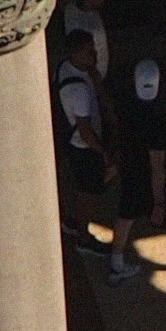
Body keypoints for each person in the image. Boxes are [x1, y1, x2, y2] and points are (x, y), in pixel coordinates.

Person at [110, 56, 166, 285]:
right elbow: (157, 166)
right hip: (145, 175)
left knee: (126, 213)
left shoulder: (125, 106)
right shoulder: (157, 120)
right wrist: (159, 202)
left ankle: (116, 258)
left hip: (130, 170)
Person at [55, 37, 113, 255]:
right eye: (90, 53)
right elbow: (85, 130)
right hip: (84, 149)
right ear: (76, 54)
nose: (95, 57)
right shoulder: (78, 90)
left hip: (75, 145)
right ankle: (84, 237)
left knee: (82, 189)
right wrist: (103, 152)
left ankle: (74, 222)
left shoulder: (65, 69)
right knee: (87, 194)